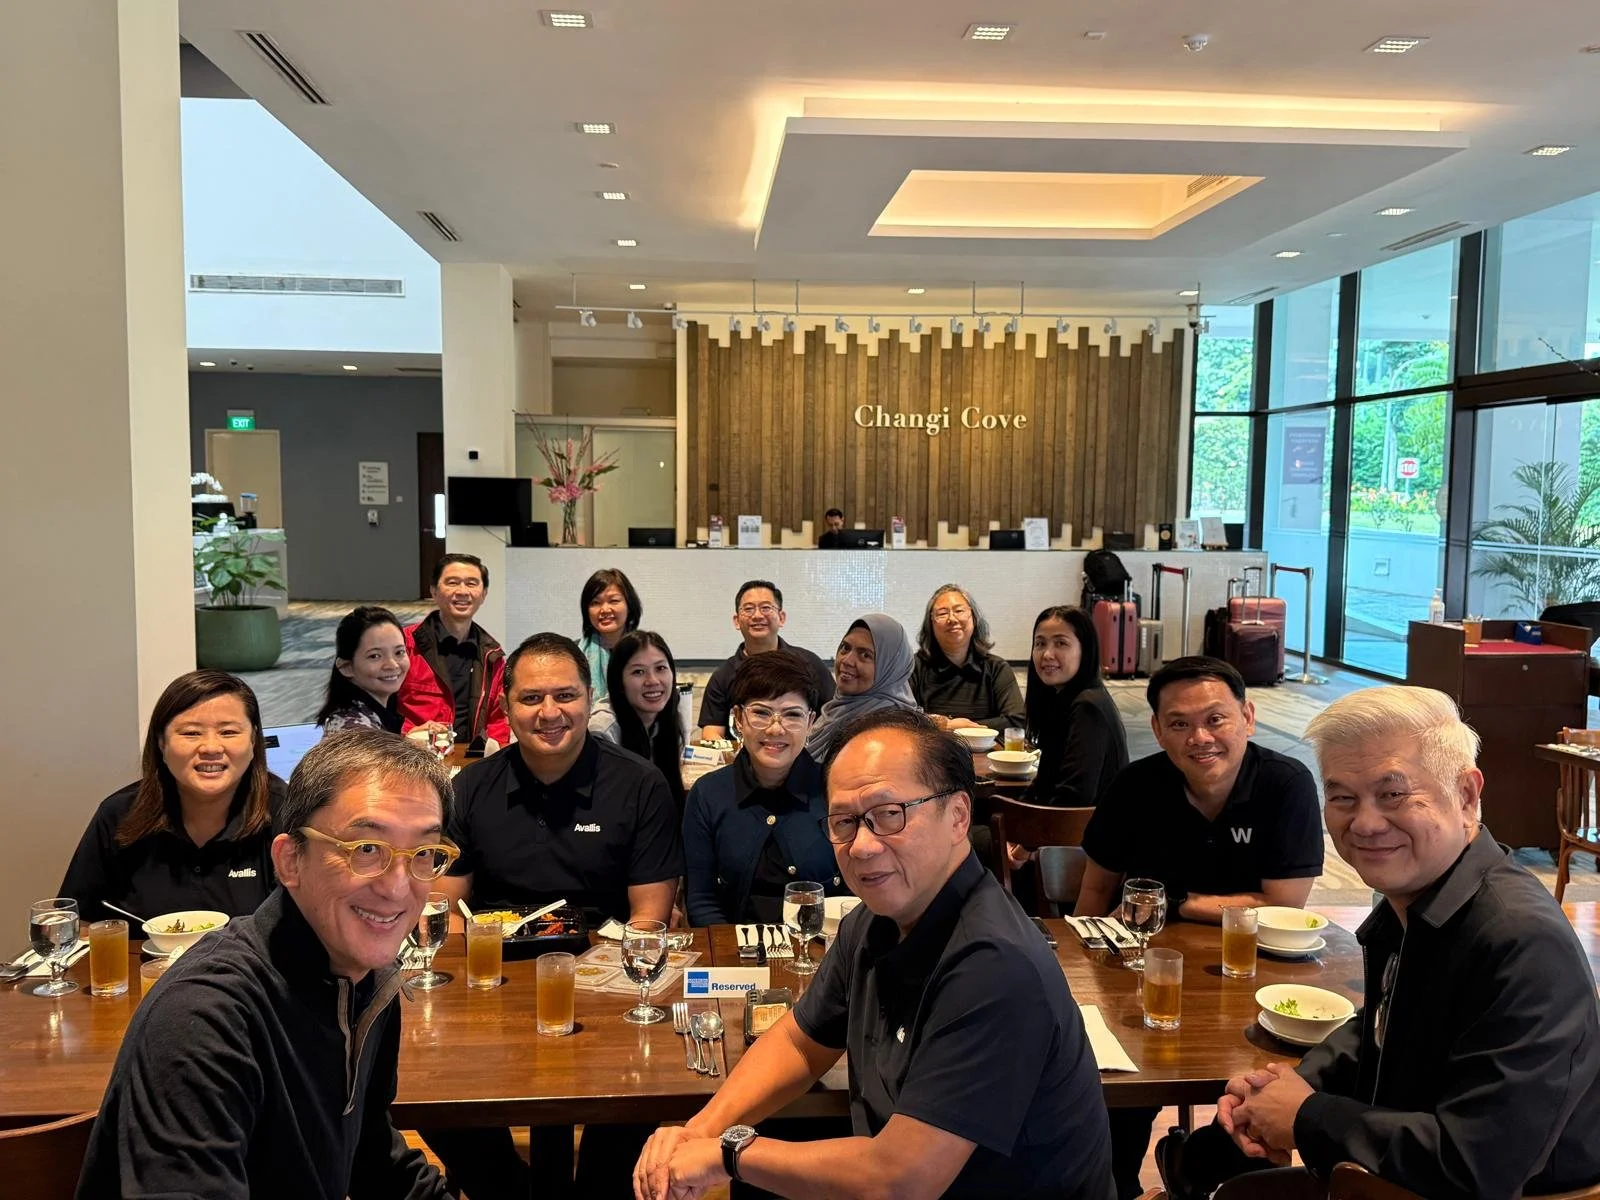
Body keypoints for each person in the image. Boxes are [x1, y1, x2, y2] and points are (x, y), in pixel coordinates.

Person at [634, 709, 1115, 1200]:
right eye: (845, 822)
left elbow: (900, 1179)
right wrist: (701, 1129)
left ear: (958, 816)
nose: (862, 846)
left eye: (889, 814)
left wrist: (729, 1154)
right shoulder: (873, 921)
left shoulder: (995, 964)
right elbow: (801, 1042)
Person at [1158, 686, 1600, 1200]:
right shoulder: (1418, 900)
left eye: (1393, 795)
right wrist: (1288, 1086)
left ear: (1466, 795)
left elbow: (1479, 1166)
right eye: (1343, 797)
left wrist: (1307, 1116)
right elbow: (1385, 1025)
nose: (1364, 823)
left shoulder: (1521, 942)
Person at [77, 730, 454, 1198]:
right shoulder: (205, 1017)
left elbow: (370, 1155)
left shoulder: (368, 980)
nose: (397, 887)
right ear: (290, 860)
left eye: (424, 853)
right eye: (365, 849)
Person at [427, 631, 683, 1200]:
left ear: (590, 699)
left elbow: (648, 921)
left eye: (565, 696)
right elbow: (447, 913)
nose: (549, 713)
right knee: (428, 1094)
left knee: (637, 1104)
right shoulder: (470, 786)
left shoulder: (639, 785)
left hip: (606, 985)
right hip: (494, 985)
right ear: (506, 705)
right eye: (531, 698)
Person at [1075, 655, 1322, 1200]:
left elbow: (1283, 904)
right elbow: (1095, 893)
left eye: (1215, 719)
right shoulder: (1135, 786)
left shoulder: (1285, 784)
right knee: (1117, 1093)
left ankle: (1201, 1172)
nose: (1200, 738)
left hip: (1252, 982)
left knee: (1262, 1097)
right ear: (1158, 729)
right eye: (1180, 724)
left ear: (1248, 717)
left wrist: (1179, 902)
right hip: (1142, 981)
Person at [60, 670, 286, 924]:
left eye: (228, 732)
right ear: (161, 742)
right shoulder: (119, 815)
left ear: (253, 739)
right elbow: (77, 922)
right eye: (191, 733)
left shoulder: (288, 811)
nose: (211, 747)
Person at [683, 650, 842, 925]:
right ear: (738, 718)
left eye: (792, 715)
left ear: (811, 722)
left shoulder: (835, 790)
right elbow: (701, 900)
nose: (775, 729)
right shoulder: (708, 794)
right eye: (761, 713)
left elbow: (853, 896)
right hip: (732, 946)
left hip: (822, 945)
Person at [697, 580, 836, 740]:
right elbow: (711, 732)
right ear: (736, 620)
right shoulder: (723, 676)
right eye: (748, 609)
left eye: (765, 608)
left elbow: (833, 714)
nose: (757, 616)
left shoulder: (809, 664)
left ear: (781, 618)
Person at [397, 553, 510, 746]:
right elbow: (381, 706)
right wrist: (405, 735)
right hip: (412, 755)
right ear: (434, 591)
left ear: (483, 594)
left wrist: (493, 757)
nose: (462, 591)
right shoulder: (404, 645)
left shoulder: (493, 656)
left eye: (472, 583)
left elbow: (498, 721)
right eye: (452, 582)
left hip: (471, 759)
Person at [1024, 605, 1128, 808]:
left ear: (1085, 650)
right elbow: (1044, 783)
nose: (1047, 654)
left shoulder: (1088, 707)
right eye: (1040, 643)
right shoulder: (1062, 700)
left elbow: (1073, 799)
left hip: (1087, 827)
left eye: (1061, 643)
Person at [590, 629, 688, 816]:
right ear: (619, 681)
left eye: (660, 668)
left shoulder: (671, 717)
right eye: (638, 672)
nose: (652, 681)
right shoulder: (603, 730)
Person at [910, 584, 1025, 734]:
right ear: (930, 623)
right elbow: (902, 717)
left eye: (959, 611)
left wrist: (962, 729)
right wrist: (946, 725)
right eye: (942, 613)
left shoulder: (996, 668)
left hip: (986, 748)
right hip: (931, 748)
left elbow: (1016, 720)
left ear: (974, 618)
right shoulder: (914, 667)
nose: (952, 619)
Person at [804, 613, 919, 763]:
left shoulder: (890, 730)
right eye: (845, 648)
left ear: (891, 668)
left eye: (865, 655)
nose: (847, 660)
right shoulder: (837, 711)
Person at [316, 605, 409, 735]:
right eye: (375, 656)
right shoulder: (356, 733)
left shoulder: (376, 713)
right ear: (346, 667)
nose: (392, 665)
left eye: (399, 652)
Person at [579, 567, 643, 703]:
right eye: (595, 603)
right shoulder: (574, 654)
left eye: (613, 601)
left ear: (629, 606)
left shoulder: (645, 650)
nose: (604, 609)